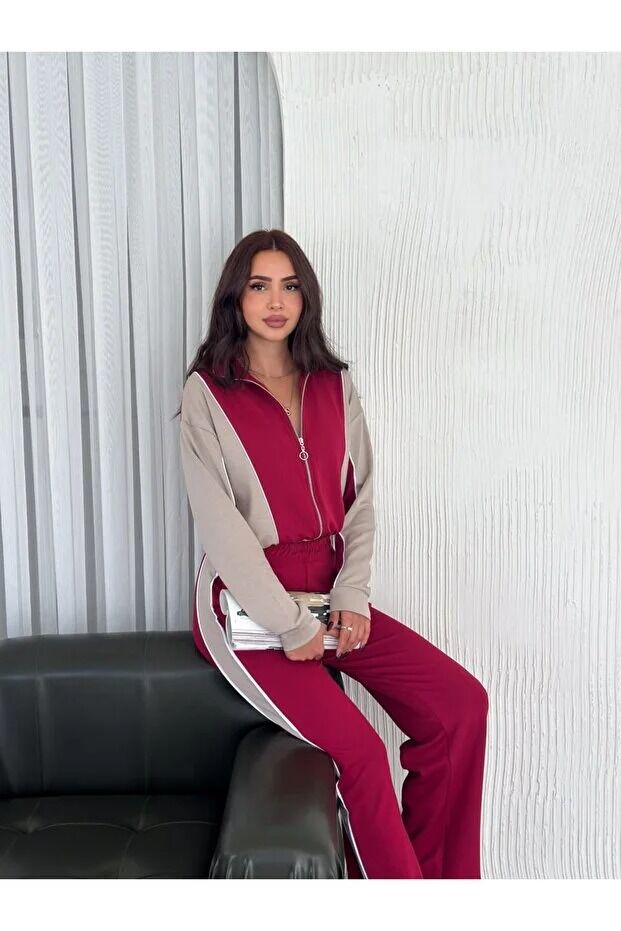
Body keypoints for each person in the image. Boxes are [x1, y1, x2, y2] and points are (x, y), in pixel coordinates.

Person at [175, 228, 489, 880]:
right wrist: (288, 624)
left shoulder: (331, 384)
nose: (275, 301)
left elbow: (360, 500)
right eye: (259, 285)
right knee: (361, 753)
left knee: (458, 707)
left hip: (328, 588)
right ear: (235, 297)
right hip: (247, 606)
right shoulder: (209, 393)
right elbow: (222, 529)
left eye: (289, 286)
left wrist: (351, 593)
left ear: (305, 297)